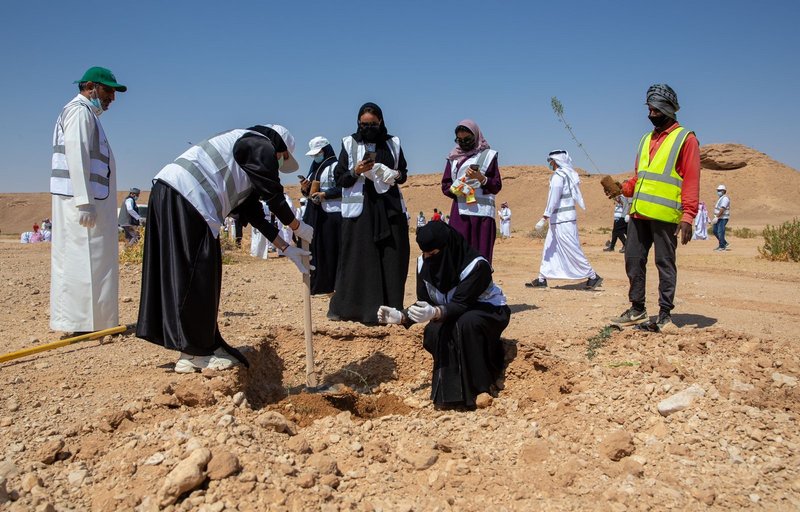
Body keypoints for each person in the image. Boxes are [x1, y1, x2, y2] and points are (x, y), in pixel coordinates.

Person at [136, 124, 314, 373]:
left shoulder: (243, 152)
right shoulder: (258, 144)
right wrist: (297, 226)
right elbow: (274, 196)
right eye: (280, 159)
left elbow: (255, 214)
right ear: (279, 149)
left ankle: (199, 345)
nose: (276, 165)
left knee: (195, 273)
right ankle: (194, 353)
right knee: (196, 275)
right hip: (190, 197)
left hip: (171, 192)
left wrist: (286, 248)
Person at [376, 222, 510, 410]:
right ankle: (450, 396)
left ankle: (480, 388)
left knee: (465, 324)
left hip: (487, 310)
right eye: (426, 254)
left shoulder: (476, 266)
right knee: (435, 330)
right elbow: (425, 301)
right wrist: (403, 317)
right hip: (452, 311)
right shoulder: (423, 263)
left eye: (434, 254)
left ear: (448, 247)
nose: (429, 259)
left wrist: (436, 312)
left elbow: (462, 303)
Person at [610, 84, 700, 331]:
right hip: (638, 214)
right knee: (633, 259)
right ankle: (637, 309)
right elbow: (642, 178)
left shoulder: (686, 139)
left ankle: (664, 314)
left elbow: (691, 179)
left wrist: (689, 215)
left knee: (664, 263)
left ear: (669, 109)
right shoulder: (645, 139)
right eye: (649, 110)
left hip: (665, 215)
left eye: (656, 111)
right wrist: (622, 188)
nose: (651, 115)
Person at [50, 66, 127, 334]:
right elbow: (76, 152)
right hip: (81, 203)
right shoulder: (79, 112)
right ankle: (81, 324)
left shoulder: (88, 115)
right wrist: (84, 201)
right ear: (91, 86)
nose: (112, 98)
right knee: (81, 260)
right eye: (108, 91)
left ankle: (94, 322)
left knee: (93, 260)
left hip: (92, 201)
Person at [328, 102, 410, 324]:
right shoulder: (349, 142)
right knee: (358, 258)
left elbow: (403, 173)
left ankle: (391, 309)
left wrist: (392, 173)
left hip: (389, 209)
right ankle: (356, 309)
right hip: (361, 212)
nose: (368, 128)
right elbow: (340, 179)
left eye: (373, 124)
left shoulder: (393, 143)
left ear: (381, 121)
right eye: (364, 124)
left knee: (393, 257)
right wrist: (356, 171)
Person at [527, 150, 602, 290]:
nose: (549, 164)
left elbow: (553, 199)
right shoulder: (567, 175)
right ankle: (542, 278)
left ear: (555, 161)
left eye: (550, 161)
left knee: (571, 248)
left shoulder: (558, 176)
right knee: (549, 249)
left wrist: (544, 217)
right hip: (559, 220)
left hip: (563, 220)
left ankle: (593, 276)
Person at [441, 119, 502, 264]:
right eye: (459, 139)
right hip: (460, 215)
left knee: (481, 256)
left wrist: (481, 178)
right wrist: (458, 187)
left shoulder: (488, 155)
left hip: (482, 215)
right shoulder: (453, 158)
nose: (463, 142)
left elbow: (496, 185)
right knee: (459, 254)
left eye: (467, 139)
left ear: (475, 136)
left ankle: (482, 285)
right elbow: (445, 186)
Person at [301, 136, 342, 295]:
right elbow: (309, 193)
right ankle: (320, 284)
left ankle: (335, 286)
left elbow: (342, 189)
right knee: (317, 249)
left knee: (331, 250)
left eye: (318, 153)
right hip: (316, 214)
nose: (315, 157)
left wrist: (325, 194)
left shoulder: (336, 166)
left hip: (332, 215)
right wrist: (306, 189)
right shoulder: (314, 169)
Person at [712, 184, 730, 251]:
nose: (718, 192)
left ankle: (722, 246)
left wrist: (717, 217)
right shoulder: (721, 198)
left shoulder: (725, 199)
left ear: (724, 191)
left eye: (719, 190)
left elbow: (722, 209)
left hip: (723, 218)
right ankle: (724, 243)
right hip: (719, 218)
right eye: (718, 190)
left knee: (720, 231)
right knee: (715, 231)